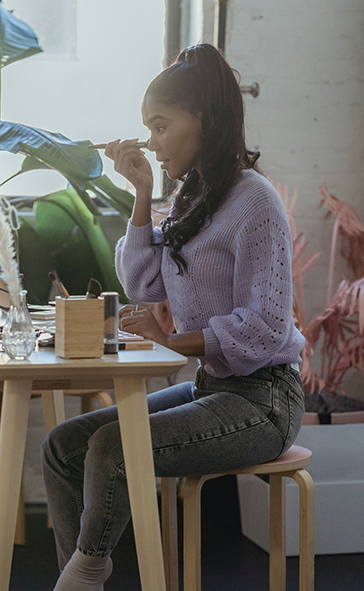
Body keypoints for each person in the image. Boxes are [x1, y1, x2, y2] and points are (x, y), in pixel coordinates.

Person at [41, 43, 306, 591]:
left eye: (161, 127)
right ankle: (80, 575)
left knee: (113, 448)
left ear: (203, 120)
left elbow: (266, 327)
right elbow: (143, 281)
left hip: (265, 400)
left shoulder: (255, 203)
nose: (154, 144)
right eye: (148, 129)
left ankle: (86, 570)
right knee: (64, 446)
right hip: (215, 390)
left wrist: (172, 341)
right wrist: (141, 193)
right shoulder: (192, 199)